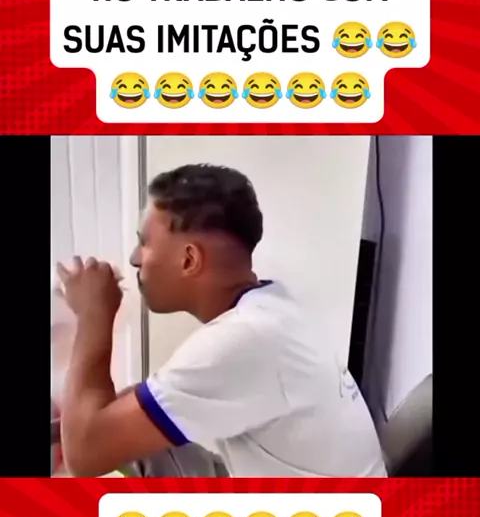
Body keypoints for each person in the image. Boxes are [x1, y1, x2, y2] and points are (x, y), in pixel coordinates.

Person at [58, 163, 386, 478]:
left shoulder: (242, 340)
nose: (134, 258)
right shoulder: (274, 307)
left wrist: (93, 315)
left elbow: (84, 457)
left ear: (189, 259)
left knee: (104, 446)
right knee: (138, 426)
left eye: (145, 243)